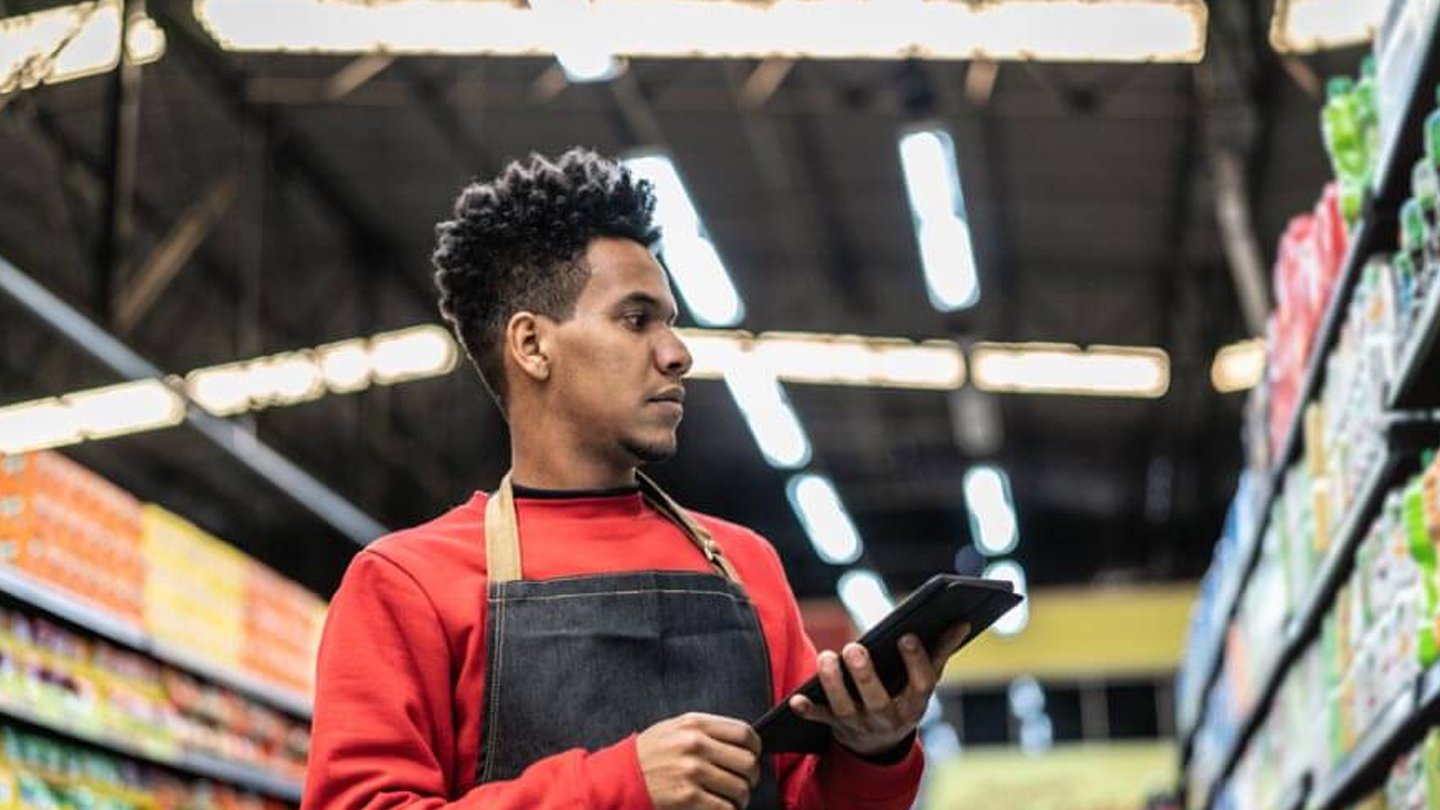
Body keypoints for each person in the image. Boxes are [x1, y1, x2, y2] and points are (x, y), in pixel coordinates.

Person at [301, 148, 971, 810]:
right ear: (532, 346)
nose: (677, 353)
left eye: (671, 324)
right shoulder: (406, 583)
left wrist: (874, 751)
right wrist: (619, 787)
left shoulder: (745, 569)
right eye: (636, 319)